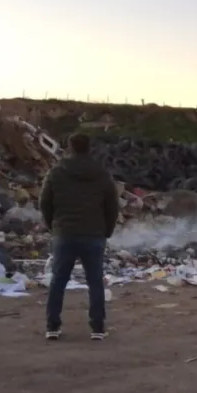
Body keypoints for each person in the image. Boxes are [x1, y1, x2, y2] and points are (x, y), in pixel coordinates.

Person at [39, 133, 119, 341]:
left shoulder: (56, 172)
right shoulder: (101, 174)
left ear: (69, 148)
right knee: (95, 282)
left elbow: (44, 203)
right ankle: (97, 328)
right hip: (94, 235)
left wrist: (53, 226)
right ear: (89, 148)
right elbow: (112, 206)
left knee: (58, 280)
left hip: (64, 234)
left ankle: (52, 326)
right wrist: (107, 230)